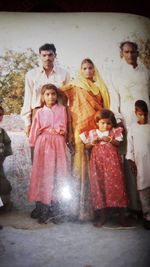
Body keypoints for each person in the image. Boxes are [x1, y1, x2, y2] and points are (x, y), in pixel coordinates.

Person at [61, 58, 110, 221]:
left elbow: (105, 109)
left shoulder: (99, 88)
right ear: (80, 70)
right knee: (79, 167)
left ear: (94, 70)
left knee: (96, 167)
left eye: (90, 68)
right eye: (84, 68)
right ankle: (77, 211)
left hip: (96, 130)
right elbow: (58, 94)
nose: (88, 71)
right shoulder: (74, 85)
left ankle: (98, 210)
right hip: (79, 130)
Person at [106, 41, 150, 215]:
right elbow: (114, 99)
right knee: (131, 161)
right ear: (121, 53)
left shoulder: (145, 71)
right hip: (127, 120)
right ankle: (135, 207)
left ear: (137, 52)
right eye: (127, 52)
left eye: (133, 52)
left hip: (145, 119)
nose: (130, 55)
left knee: (146, 161)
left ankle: (147, 207)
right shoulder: (115, 73)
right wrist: (118, 120)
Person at [28, 84, 68, 224]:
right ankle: (43, 209)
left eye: (53, 94)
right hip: (43, 145)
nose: (51, 97)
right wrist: (33, 145)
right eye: (47, 94)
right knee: (44, 175)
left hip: (58, 144)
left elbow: (65, 128)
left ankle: (56, 209)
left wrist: (61, 134)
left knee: (58, 174)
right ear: (43, 97)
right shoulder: (39, 112)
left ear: (57, 96)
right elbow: (34, 130)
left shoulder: (63, 110)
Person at [82, 109, 129, 227]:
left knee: (116, 186)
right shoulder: (92, 133)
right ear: (97, 123)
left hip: (113, 166)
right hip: (98, 166)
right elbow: (86, 146)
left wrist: (110, 140)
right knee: (99, 187)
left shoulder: (114, 131)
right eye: (102, 123)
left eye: (108, 123)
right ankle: (103, 216)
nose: (106, 126)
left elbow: (118, 144)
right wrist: (92, 142)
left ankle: (121, 216)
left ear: (112, 124)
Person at [21, 43, 70, 137]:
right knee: (36, 147)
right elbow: (27, 98)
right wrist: (27, 123)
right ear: (40, 56)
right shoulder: (31, 74)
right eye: (44, 55)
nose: (47, 58)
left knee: (57, 146)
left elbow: (67, 99)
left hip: (57, 115)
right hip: (37, 113)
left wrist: (68, 123)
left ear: (55, 55)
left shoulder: (64, 74)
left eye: (50, 55)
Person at [126, 100, 150, 230]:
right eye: (140, 114)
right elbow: (130, 149)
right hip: (140, 164)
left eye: (145, 114)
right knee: (143, 189)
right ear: (136, 113)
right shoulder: (132, 129)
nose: (143, 117)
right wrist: (132, 163)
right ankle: (147, 216)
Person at [0, 106, 13, 213]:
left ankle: (4, 206)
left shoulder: (2, 133)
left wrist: (1, 160)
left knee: (4, 187)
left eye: (0, 114)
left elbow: (7, 148)